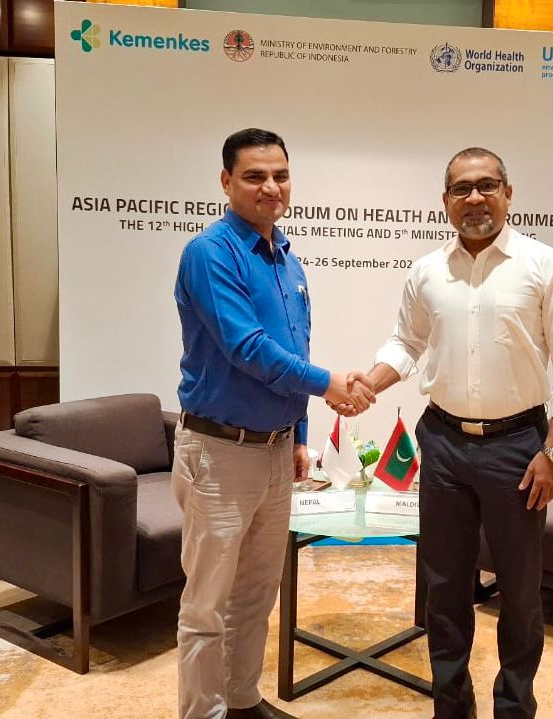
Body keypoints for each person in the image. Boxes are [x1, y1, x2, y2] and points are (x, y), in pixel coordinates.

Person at [335, 147, 553, 718]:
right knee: (444, 586)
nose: (474, 198)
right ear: (445, 201)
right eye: (461, 189)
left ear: (508, 193)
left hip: (518, 448)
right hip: (444, 443)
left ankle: (514, 707)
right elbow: (406, 343)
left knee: (519, 591)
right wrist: (368, 384)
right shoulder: (427, 271)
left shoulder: (548, 267)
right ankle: (451, 707)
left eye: (487, 185)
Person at [172, 128, 374, 719]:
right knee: (207, 603)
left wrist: (300, 435)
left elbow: (293, 347)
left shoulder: (287, 258)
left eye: (280, 175)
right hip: (219, 451)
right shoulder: (210, 253)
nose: (270, 187)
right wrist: (329, 383)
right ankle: (203, 713)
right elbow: (248, 348)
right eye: (254, 176)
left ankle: (242, 700)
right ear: (226, 181)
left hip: (275, 450)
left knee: (258, 591)